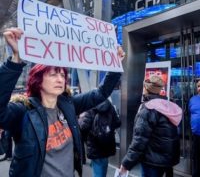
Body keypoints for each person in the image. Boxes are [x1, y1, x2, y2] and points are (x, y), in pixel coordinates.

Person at [0, 28, 125, 177]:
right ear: (38, 80)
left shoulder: (69, 105)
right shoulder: (23, 111)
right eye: (53, 74)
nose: (60, 79)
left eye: (62, 75)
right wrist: (15, 60)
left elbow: (101, 93)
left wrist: (115, 66)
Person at [119, 75, 182, 177]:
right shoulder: (167, 105)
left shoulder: (148, 108)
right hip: (167, 160)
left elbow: (139, 140)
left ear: (146, 88)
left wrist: (126, 163)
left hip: (152, 161)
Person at [78, 99, 121, 177]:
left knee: (98, 170)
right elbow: (117, 123)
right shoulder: (110, 106)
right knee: (102, 168)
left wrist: (80, 119)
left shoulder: (90, 108)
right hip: (107, 144)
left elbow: (83, 127)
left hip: (95, 145)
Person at [188, 79, 200, 177]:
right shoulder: (193, 99)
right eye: (198, 86)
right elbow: (189, 113)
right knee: (196, 158)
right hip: (196, 135)